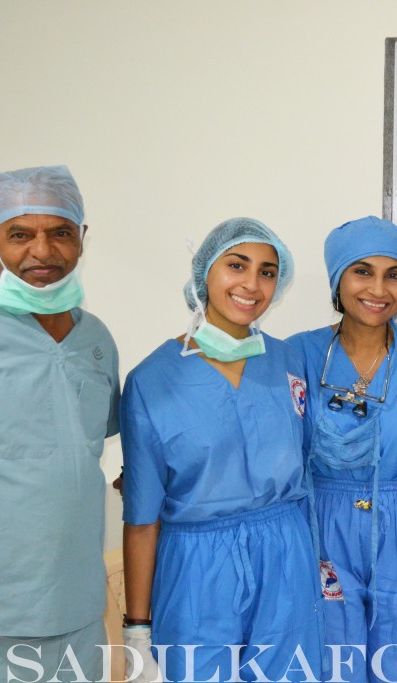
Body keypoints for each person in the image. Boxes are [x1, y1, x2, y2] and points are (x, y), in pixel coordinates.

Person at [121, 217, 322, 682]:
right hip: (196, 567)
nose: (252, 284)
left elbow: (311, 461)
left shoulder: (288, 361)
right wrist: (137, 629)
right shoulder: (152, 381)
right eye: (237, 265)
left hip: (285, 555)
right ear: (205, 272)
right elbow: (142, 516)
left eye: (267, 272)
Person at [286, 216, 397, 683]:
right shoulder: (298, 353)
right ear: (337, 279)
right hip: (323, 521)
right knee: (330, 657)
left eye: (394, 275)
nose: (379, 288)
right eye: (362, 271)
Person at [0, 165, 120, 682]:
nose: (42, 252)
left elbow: (84, 451)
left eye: (60, 232)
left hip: (76, 602)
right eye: (19, 234)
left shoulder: (96, 339)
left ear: (83, 239)